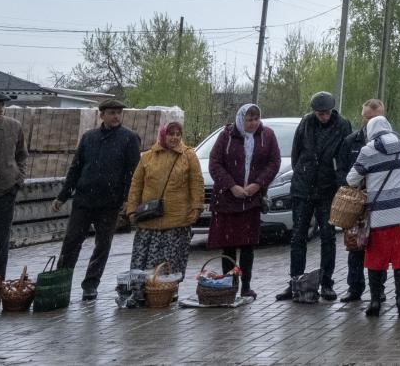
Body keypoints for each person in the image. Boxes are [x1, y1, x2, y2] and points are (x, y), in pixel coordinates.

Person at [53, 98, 141, 301]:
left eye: (119, 112)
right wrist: (63, 196)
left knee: (102, 245)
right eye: (111, 112)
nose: (116, 116)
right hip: (84, 200)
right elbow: (75, 169)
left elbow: (133, 173)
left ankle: (90, 285)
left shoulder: (129, 138)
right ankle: (61, 283)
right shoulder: (88, 137)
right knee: (71, 243)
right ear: (101, 115)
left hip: (110, 203)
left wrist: (128, 200)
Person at [280, 90, 352, 302]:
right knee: (298, 236)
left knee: (328, 237)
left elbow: (344, 155)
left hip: (328, 189)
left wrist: (338, 181)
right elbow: (296, 153)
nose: (323, 116)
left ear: (332, 110)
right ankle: (296, 281)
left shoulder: (342, 125)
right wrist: (303, 171)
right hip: (304, 187)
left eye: (326, 113)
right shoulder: (306, 123)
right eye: (319, 113)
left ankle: (327, 282)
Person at [344, 114, 400, 316]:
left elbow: (351, 179)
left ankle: (376, 301)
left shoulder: (368, 150)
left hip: (380, 215)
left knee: (376, 258)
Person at [206, 103, 280, 299]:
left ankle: (246, 285)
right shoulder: (226, 136)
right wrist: (232, 186)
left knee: (248, 245)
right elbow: (215, 163)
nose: (253, 123)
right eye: (249, 120)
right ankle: (229, 284)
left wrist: (257, 184)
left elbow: (274, 162)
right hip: (228, 199)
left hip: (252, 200)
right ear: (241, 119)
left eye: (256, 119)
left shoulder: (267, 136)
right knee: (228, 244)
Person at [122, 115, 202, 277]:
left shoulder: (188, 156)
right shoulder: (148, 156)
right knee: (144, 265)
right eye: (170, 134)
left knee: (171, 263)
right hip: (149, 219)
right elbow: (136, 184)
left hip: (176, 221)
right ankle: (144, 292)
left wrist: (196, 207)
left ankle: (167, 292)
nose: (174, 137)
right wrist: (131, 209)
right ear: (163, 134)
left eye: (178, 134)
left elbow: (196, 183)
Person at [335, 99, 383, 302]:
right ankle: (354, 288)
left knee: (378, 248)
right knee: (354, 246)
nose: (369, 121)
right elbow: (340, 169)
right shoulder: (350, 141)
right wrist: (349, 191)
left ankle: (378, 290)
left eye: (374, 118)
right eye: (367, 117)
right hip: (355, 203)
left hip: (378, 202)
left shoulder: (387, 143)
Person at [0, 91, 26, 282]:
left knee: (0, 242)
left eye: (1, 106)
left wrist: (19, 179)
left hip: (6, 191)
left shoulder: (14, 126)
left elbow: (22, 155)